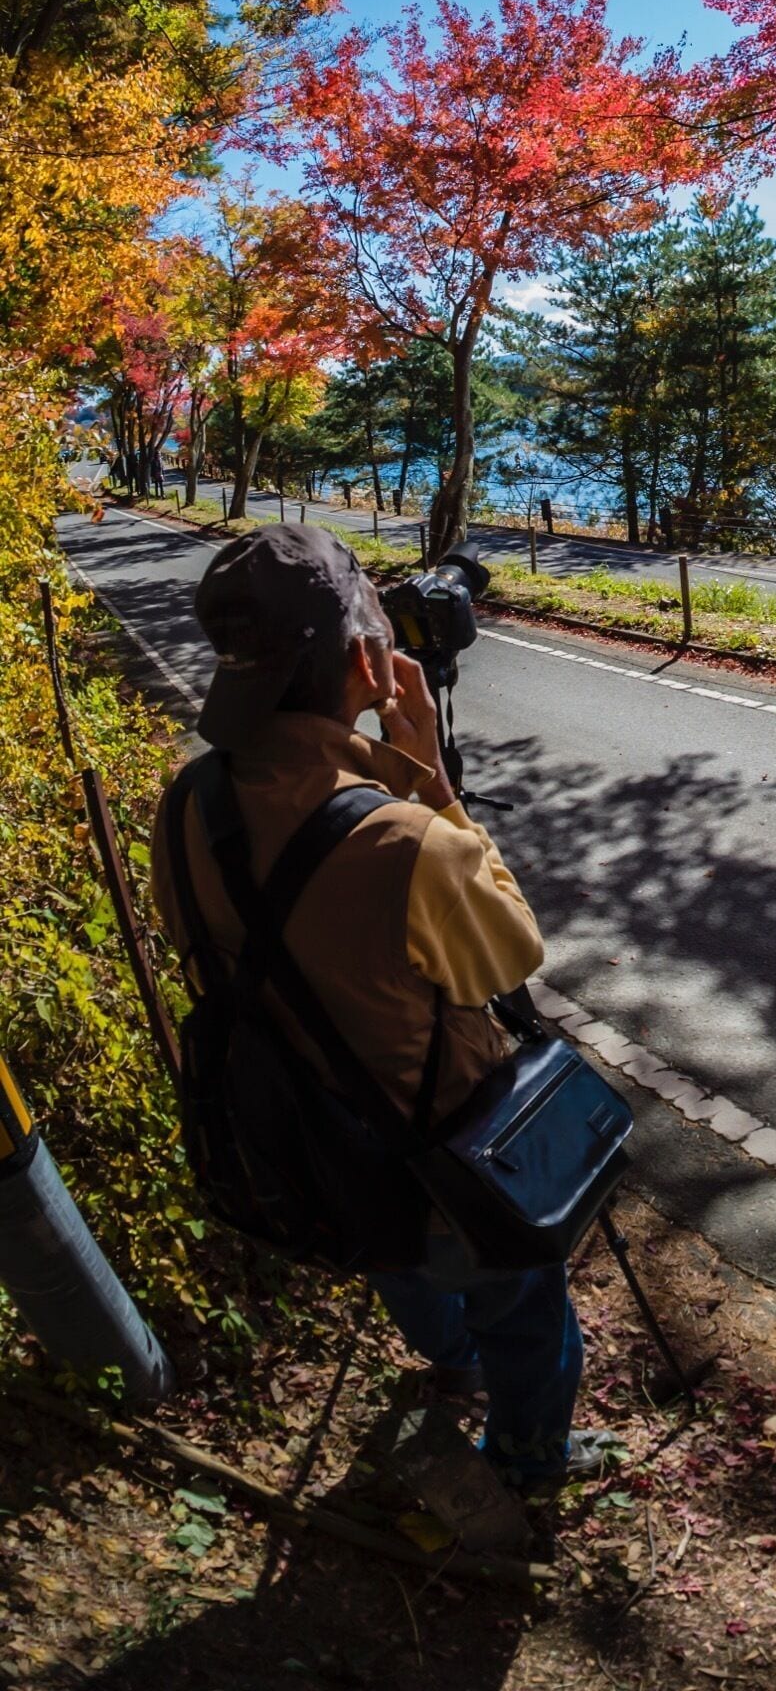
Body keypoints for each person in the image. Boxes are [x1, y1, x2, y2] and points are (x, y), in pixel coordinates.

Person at [150, 520, 610, 1493]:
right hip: (442, 1161)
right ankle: (527, 1463)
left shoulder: (187, 802)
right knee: (525, 1310)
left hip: (311, 1148)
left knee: (398, 1261)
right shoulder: (405, 840)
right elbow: (510, 955)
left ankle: (449, 1364)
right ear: (367, 659)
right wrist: (434, 784)